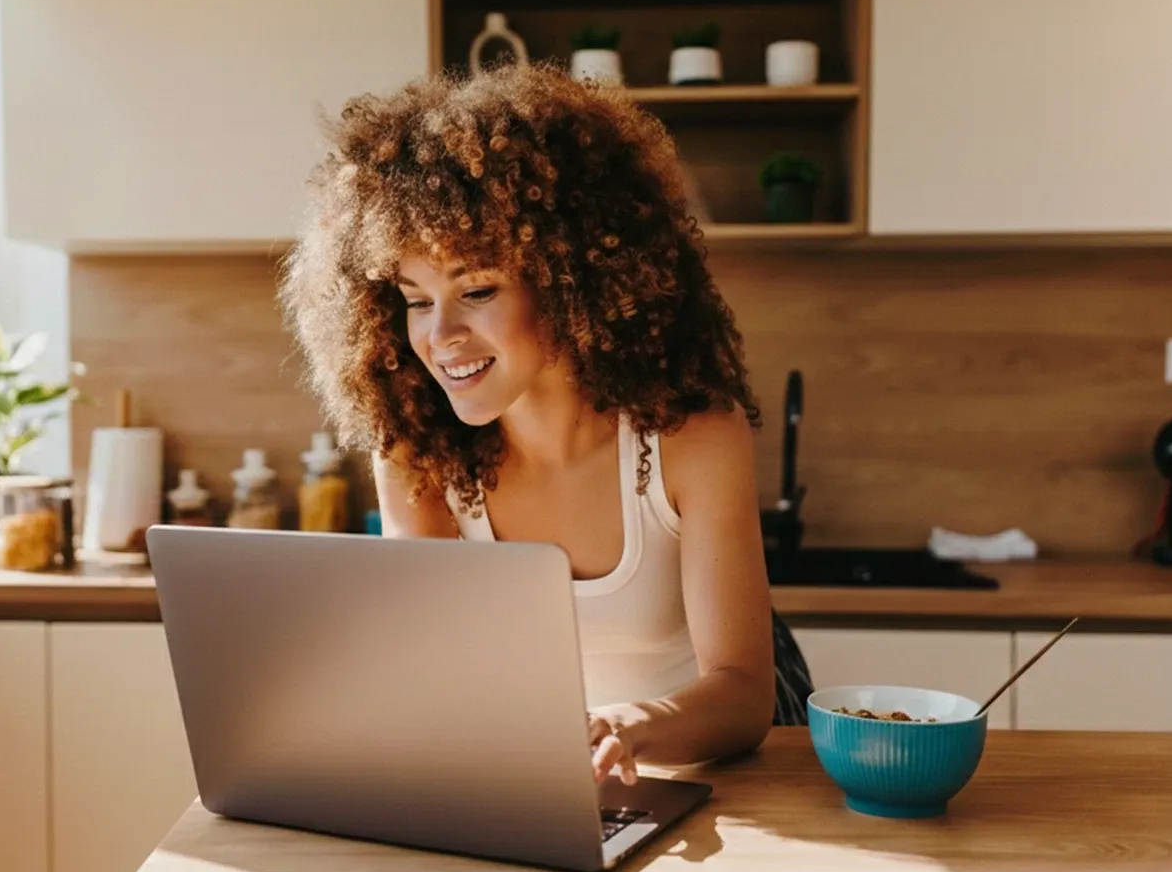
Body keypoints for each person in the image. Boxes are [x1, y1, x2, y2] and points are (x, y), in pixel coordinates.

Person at [278, 62, 813, 787]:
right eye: (415, 300)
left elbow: (744, 693)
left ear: (571, 281)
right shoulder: (419, 456)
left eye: (476, 289)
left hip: (713, 781)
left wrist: (630, 722)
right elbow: (443, 674)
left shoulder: (691, 438)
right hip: (551, 789)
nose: (441, 335)